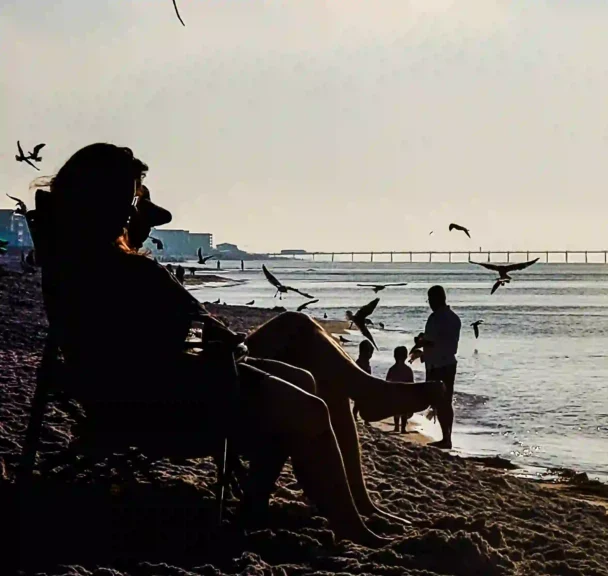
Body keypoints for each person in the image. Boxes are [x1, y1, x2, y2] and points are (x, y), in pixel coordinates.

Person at [41, 143, 445, 547]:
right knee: (310, 398)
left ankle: (362, 486)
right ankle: (354, 520)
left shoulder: (75, 259)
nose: (131, 212)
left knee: (297, 328)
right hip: (164, 399)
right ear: (98, 199)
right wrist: (204, 334)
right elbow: (197, 327)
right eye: (127, 200)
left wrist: (196, 333)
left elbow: (160, 333)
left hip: (147, 383)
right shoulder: (121, 269)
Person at [419, 285, 461, 449]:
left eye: (430, 299)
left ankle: (445, 438)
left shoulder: (436, 318)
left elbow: (433, 341)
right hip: (448, 362)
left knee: (439, 401)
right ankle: (446, 436)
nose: (429, 303)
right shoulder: (454, 318)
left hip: (438, 364)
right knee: (445, 401)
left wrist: (421, 342)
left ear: (436, 299)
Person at [386, 346, 415, 433]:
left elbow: (387, 382)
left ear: (394, 356)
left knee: (396, 411)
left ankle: (396, 427)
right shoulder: (408, 370)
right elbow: (412, 383)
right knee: (404, 412)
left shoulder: (392, 369)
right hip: (405, 394)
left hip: (395, 393)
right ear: (406, 357)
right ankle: (402, 428)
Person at [352, 340, 374, 421]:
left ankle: (366, 419)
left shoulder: (366, 362)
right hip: (360, 386)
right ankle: (355, 414)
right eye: (369, 353)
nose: (370, 355)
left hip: (366, 386)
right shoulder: (360, 362)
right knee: (358, 403)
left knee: (366, 404)